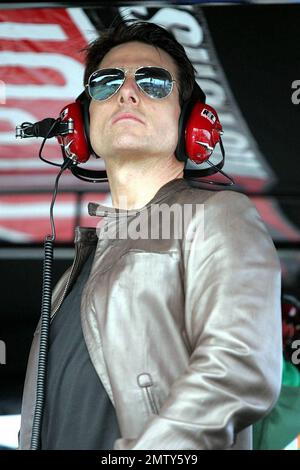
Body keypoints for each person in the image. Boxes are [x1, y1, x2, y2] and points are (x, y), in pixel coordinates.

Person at [19, 20, 282, 450]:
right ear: (82, 125)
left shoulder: (218, 215)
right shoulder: (69, 280)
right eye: (105, 82)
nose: (126, 91)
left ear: (193, 122)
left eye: (153, 81)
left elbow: (238, 368)